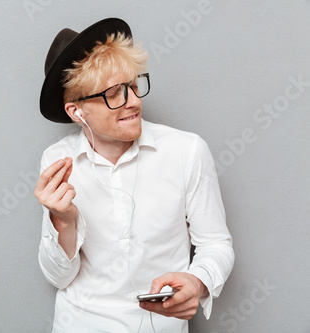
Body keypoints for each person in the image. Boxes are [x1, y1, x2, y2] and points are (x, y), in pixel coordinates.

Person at [35, 18, 234, 332]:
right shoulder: (58, 161)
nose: (134, 102)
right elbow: (58, 277)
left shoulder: (187, 151)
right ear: (77, 112)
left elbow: (216, 244)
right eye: (114, 93)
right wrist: (62, 221)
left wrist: (198, 282)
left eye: (133, 85)